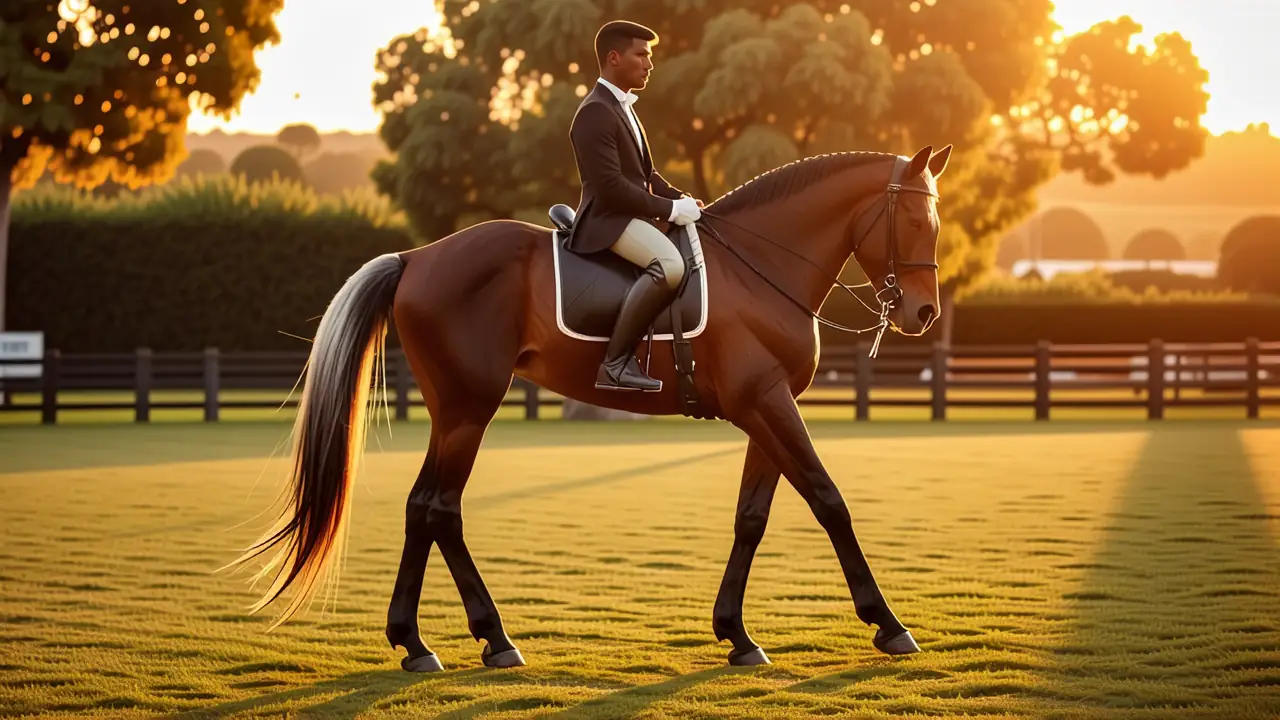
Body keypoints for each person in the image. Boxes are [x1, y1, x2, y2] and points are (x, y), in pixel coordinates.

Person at [566, 20, 704, 393]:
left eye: (649, 56)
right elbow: (612, 187)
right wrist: (670, 211)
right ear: (614, 58)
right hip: (608, 220)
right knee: (670, 266)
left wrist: (681, 199)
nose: (649, 64)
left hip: (629, 215)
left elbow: (645, 174)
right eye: (641, 55)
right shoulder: (594, 111)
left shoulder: (622, 108)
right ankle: (615, 364)